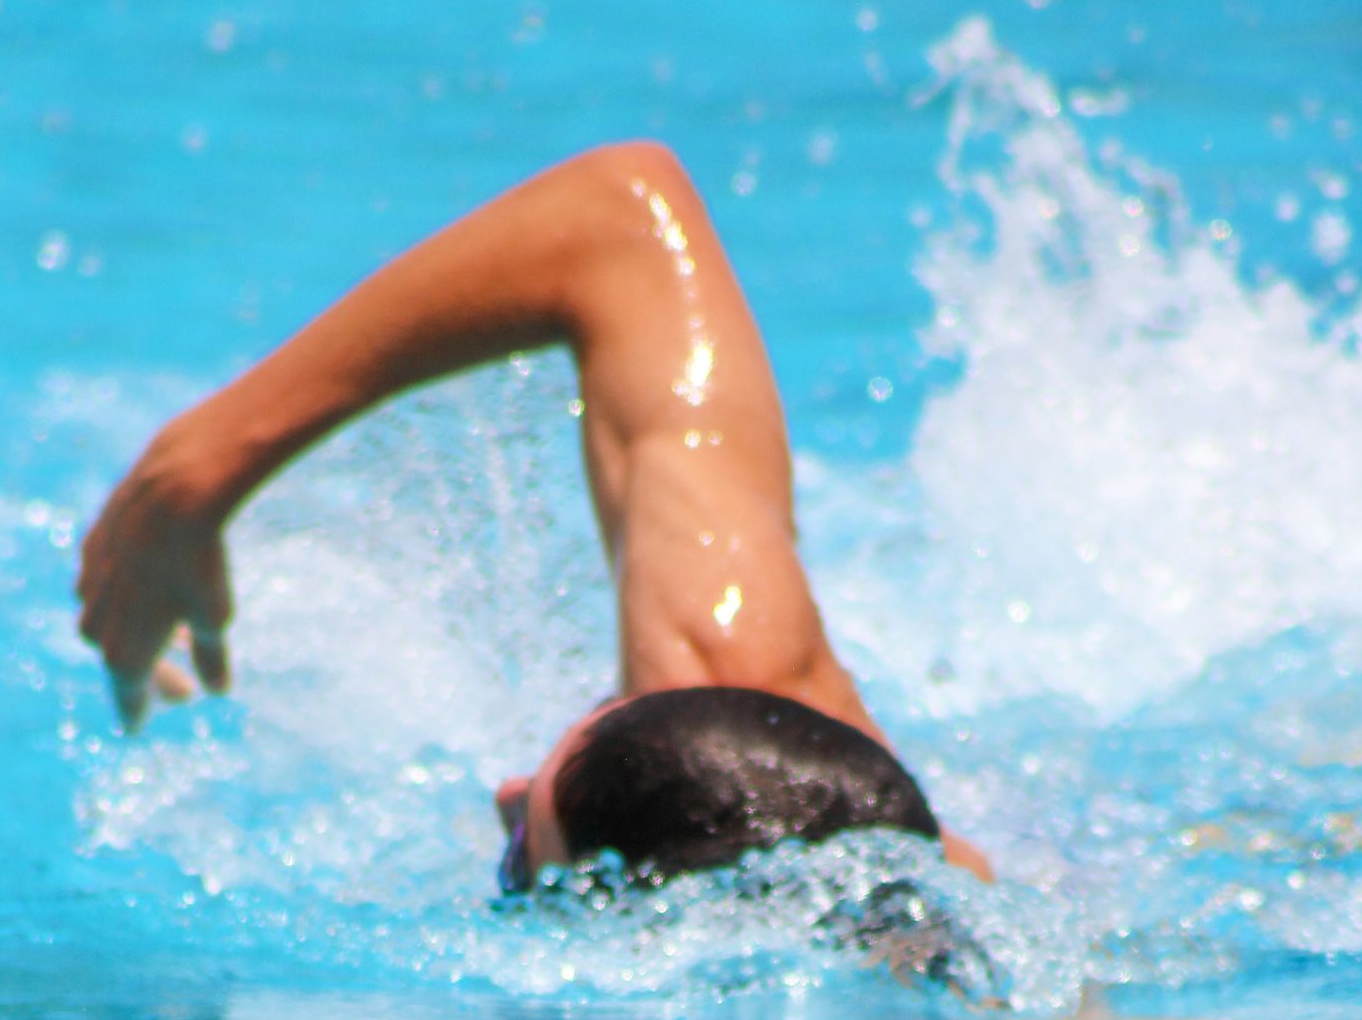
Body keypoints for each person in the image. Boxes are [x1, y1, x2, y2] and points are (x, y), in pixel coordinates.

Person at [75, 141, 994, 888]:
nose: (504, 793)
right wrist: (197, 468)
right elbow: (621, 220)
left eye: (526, 860)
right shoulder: (737, 687)